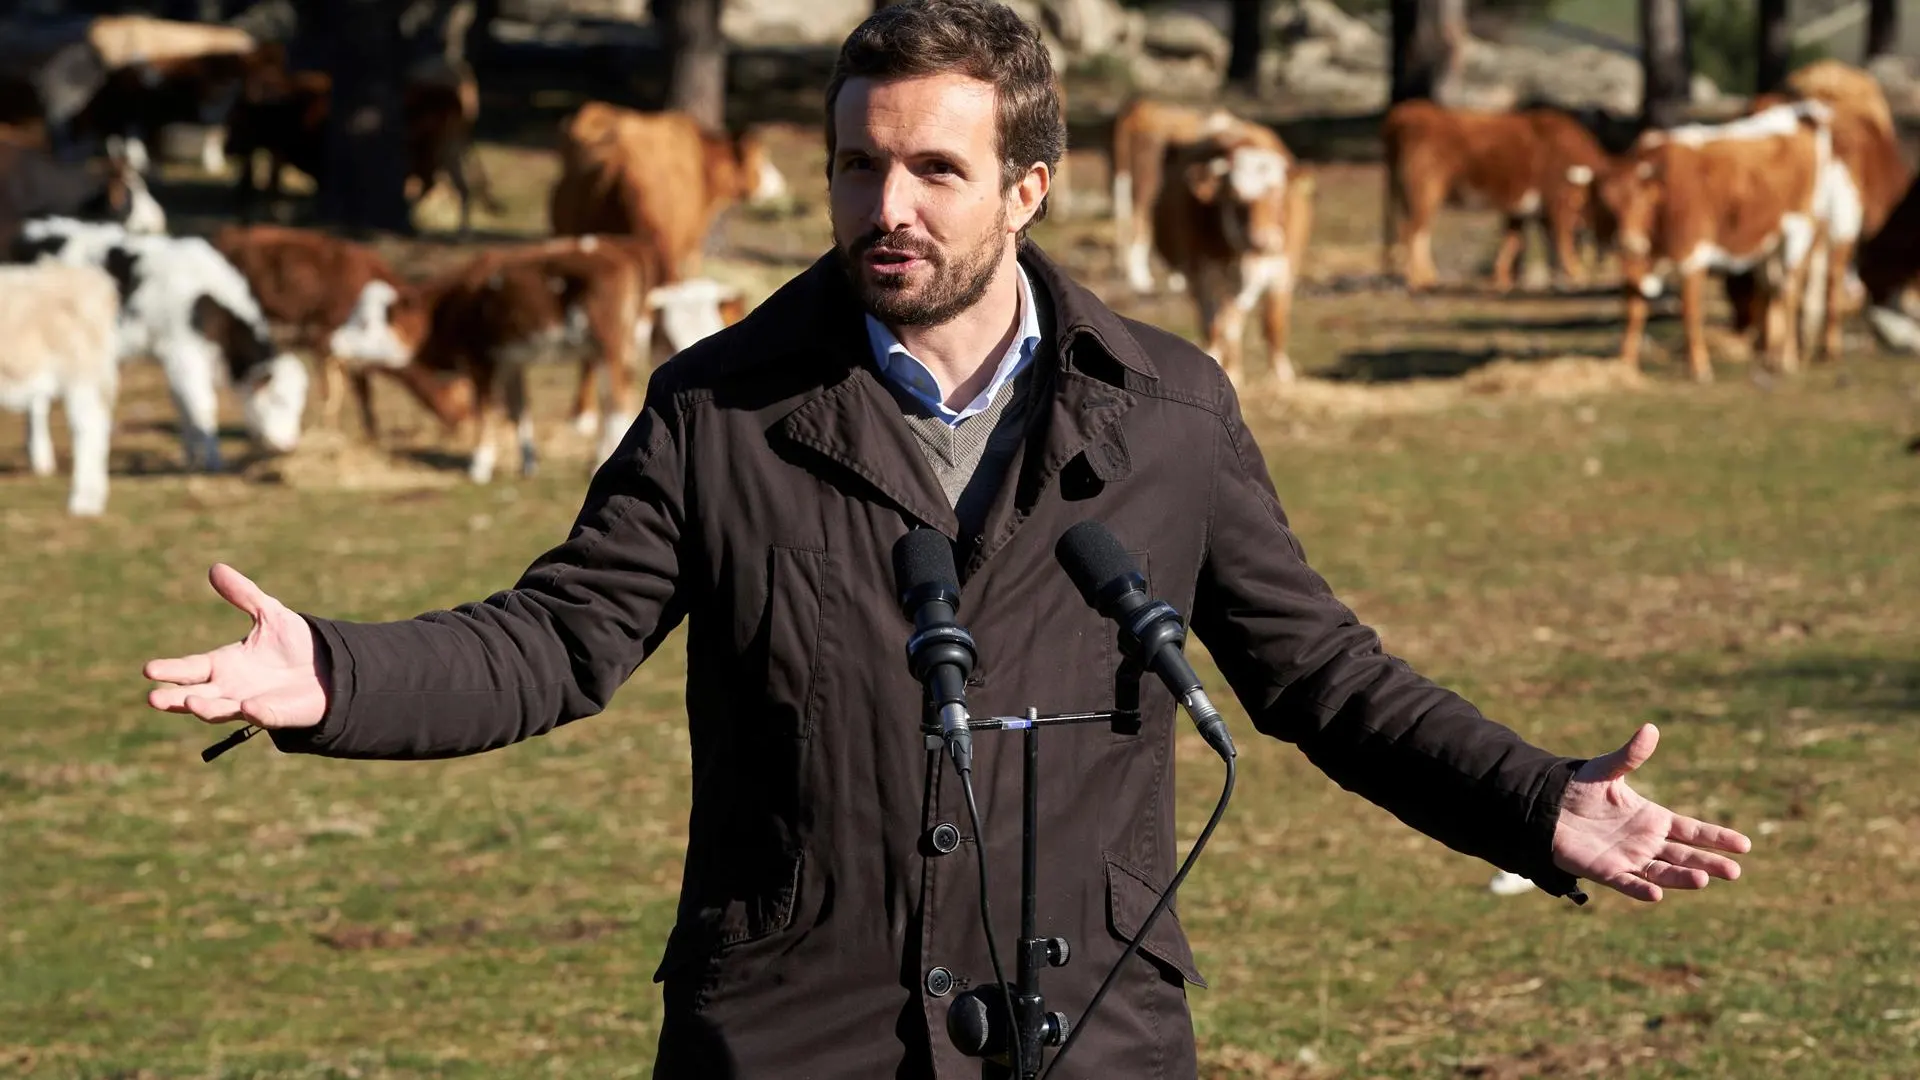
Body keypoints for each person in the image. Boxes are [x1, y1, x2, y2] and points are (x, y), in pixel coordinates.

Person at [142, 1, 1751, 1076]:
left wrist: (1538, 804)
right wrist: (335, 677)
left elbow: (1321, 674)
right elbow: (557, 639)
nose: (886, 204)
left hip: (1091, 1028)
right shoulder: (724, 406)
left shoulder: (1170, 412)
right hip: (795, 1029)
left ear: (1030, 187)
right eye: (859, 162)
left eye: (934, 167)